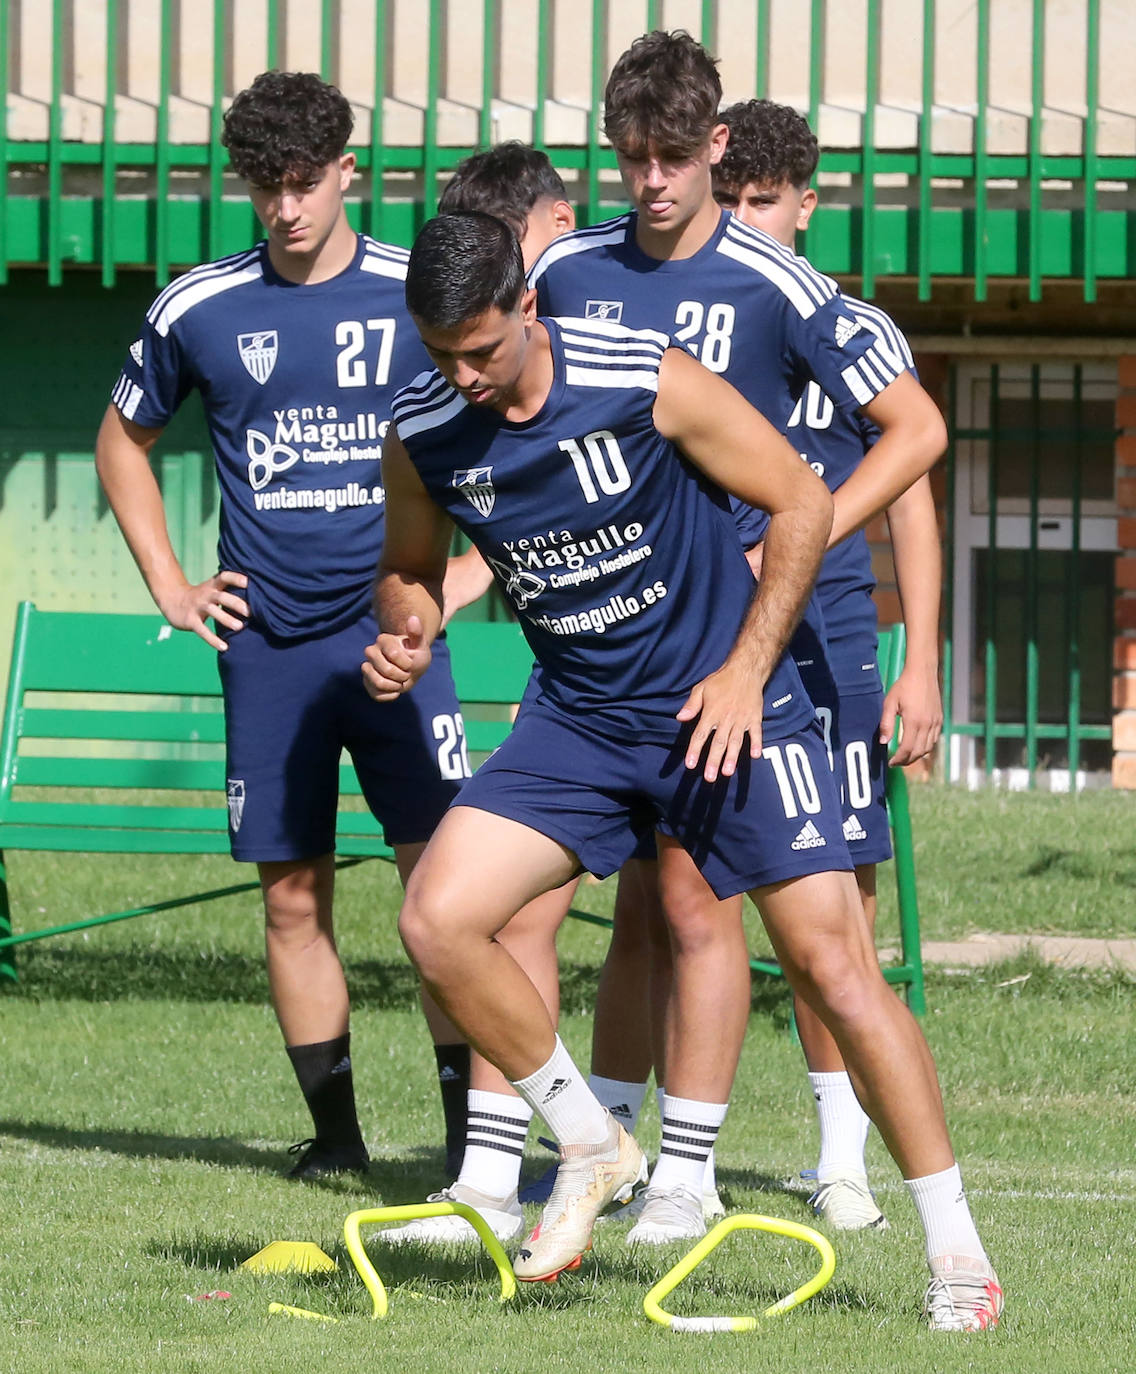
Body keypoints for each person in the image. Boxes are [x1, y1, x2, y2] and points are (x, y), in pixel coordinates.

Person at [364, 211, 1001, 1333]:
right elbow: (409, 571)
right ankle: (592, 1142)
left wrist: (749, 670)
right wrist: (404, 631)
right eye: (438, 353)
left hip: (728, 708)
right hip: (576, 722)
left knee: (833, 970)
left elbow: (800, 501)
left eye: (480, 347)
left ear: (526, 306)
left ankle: (957, 1252)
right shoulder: (420, 429)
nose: (461, 374)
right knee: (437, 919)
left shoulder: (642, 376)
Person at [528, 27, 946, 1240]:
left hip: (771, 640)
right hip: (621, 649)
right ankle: (588, 1152)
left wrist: (795, 541)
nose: (652, 181)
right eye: (629, 159)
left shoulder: (785, 291)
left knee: (812, 925)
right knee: (621, 906)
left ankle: (818, 1169)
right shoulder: (565, 276)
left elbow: (910, 443)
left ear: (712, 147)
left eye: (674, 157)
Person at [95, 70, 480, 1180]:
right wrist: (171, 584)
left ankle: (471, 1148)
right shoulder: (198, 306)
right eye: (265, 187)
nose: (286, 209)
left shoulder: (421, 290)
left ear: (348, 171)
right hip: (267, 650)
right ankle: (339, 1143)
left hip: (399, 644)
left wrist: (448, 591)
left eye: (304, 183)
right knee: (290, 896)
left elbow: (503, 428)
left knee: (439, 895)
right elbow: (123, 443)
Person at [711, 96, 944, 1229]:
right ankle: (675, 1159)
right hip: (716, 645)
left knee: (841, 905)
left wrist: (921, 664)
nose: (747, 223)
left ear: (807, 204)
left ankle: (841, 1154)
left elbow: (911, 503)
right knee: (695, 900)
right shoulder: (702, 327)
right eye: (732, 201)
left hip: (833, 648)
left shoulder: (847, 330)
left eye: (766, 203)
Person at [374, 142, 583, 1244]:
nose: (469, 365)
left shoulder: (607, 331)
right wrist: (426, 605)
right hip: (577, 688)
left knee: (710, 929)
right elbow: (503, 517)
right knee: (499, 912)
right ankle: (500, 1181)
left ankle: (683, 1169)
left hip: (693, 674)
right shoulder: (448, 396)